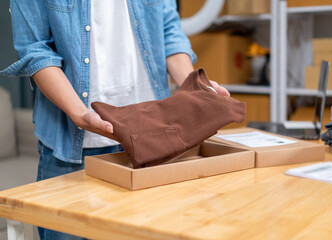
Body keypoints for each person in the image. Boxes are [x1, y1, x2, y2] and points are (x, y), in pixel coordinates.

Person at [1, 0, 230, 239]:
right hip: (72, 146)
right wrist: (80, 114)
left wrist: (195, 87)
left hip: (153, 140)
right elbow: (36, 50)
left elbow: (169, 31)